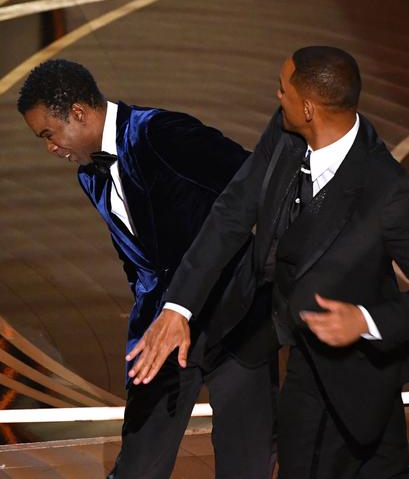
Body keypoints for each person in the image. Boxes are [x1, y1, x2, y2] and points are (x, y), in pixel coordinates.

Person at [131, 46, 409, 478]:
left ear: (308, 108)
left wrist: (366, 321)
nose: (275, 95)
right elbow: (232, 212)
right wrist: (178, 307)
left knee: (370, 458)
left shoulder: (388, 192)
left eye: (282, 89)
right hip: (284, 335)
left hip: (355, 365)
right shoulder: (285, 132)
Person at [17, 59, 277, 479]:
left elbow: (254, 182)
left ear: (79, 114)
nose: (50, 147)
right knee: (139, 464)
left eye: (48, 134)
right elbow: (134, 255)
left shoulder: (161, 134)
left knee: (246, 463)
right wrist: (150, 304)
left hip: (235, 316)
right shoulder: (90, 175)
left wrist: (265, 270)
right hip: (160, 330)